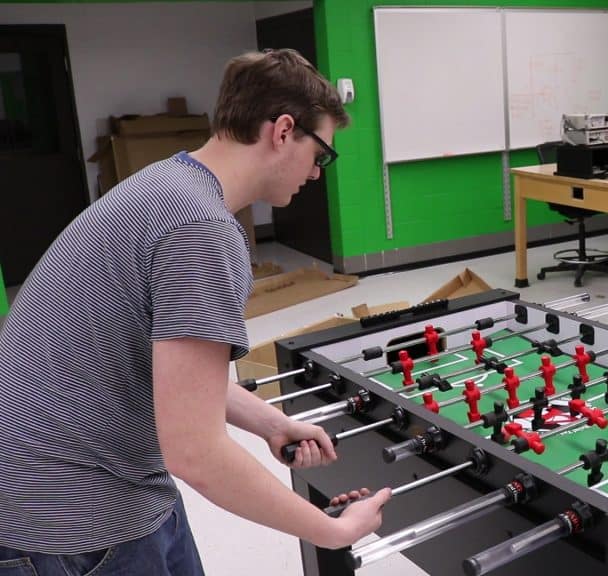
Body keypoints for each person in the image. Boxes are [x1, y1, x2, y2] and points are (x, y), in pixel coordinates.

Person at [0, 48, 389, 575]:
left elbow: (171, 373)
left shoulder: (165, 183)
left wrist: (271, 423)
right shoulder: (201, 230)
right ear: (282, 131)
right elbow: (196, 453)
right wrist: (334, 530)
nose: (317, 175)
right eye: (320, 155)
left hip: (85, 483)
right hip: (75, 521)